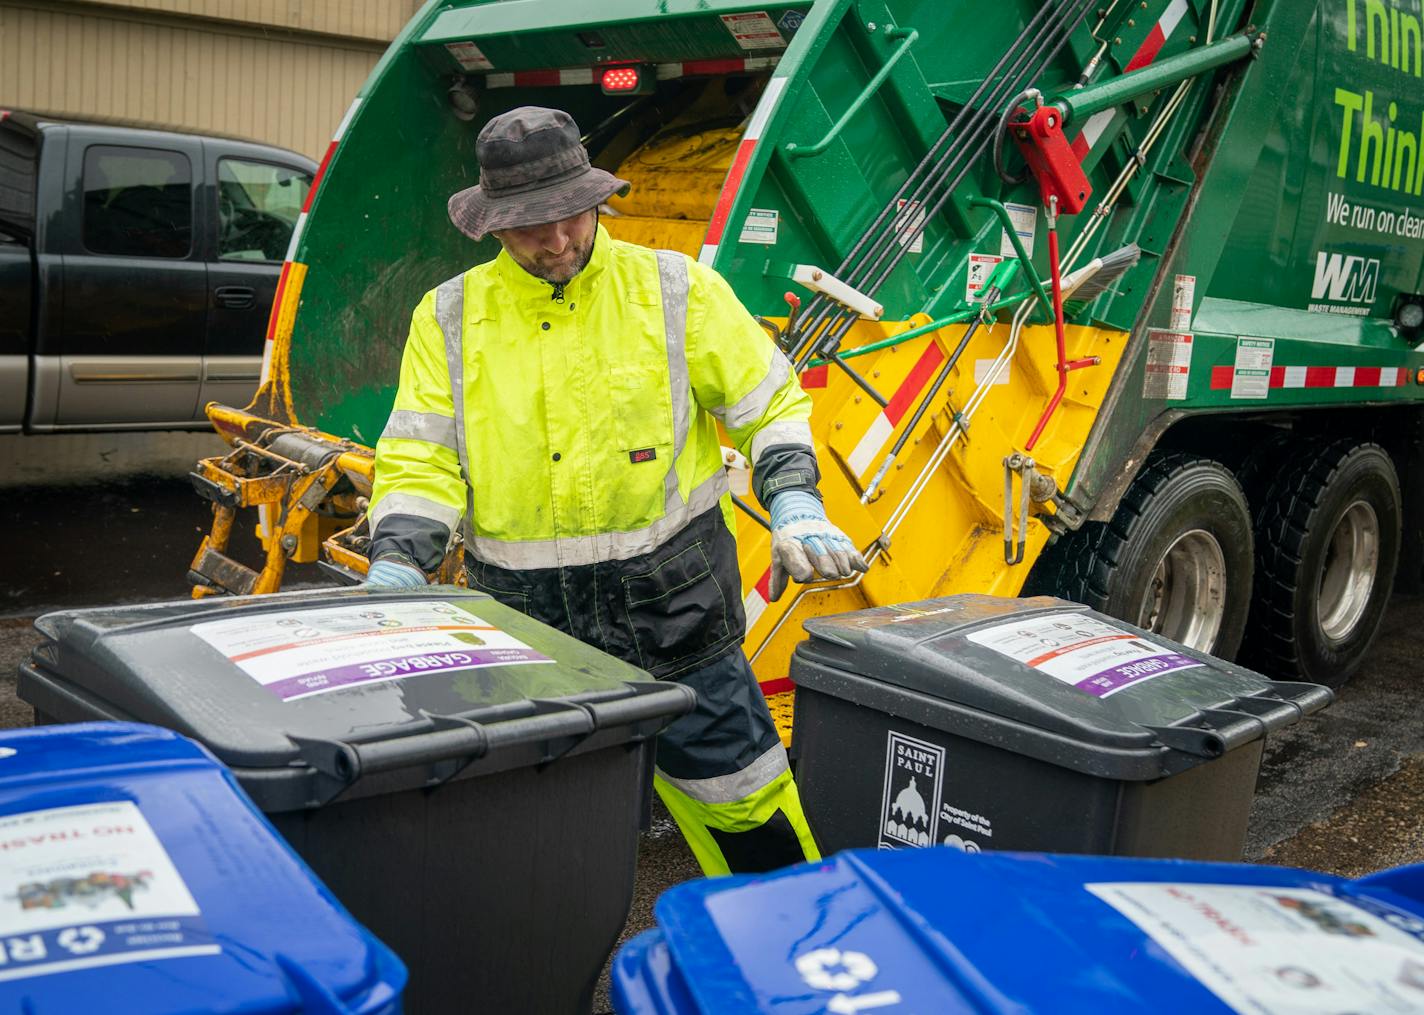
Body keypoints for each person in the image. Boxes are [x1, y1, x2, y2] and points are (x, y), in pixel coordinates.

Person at [364, 106, 866, 875]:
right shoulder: (450, 316)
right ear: (493, 223)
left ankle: (791, 960)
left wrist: (794, 493)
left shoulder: (677, 290)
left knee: (746, 802)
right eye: (531, 227)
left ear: (597, 199)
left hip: (675, 615)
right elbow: (421, 460)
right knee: (539, 838)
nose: (557, 241)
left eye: (571, 215)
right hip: (530, 632)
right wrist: (399, 559)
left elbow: (768, 405)